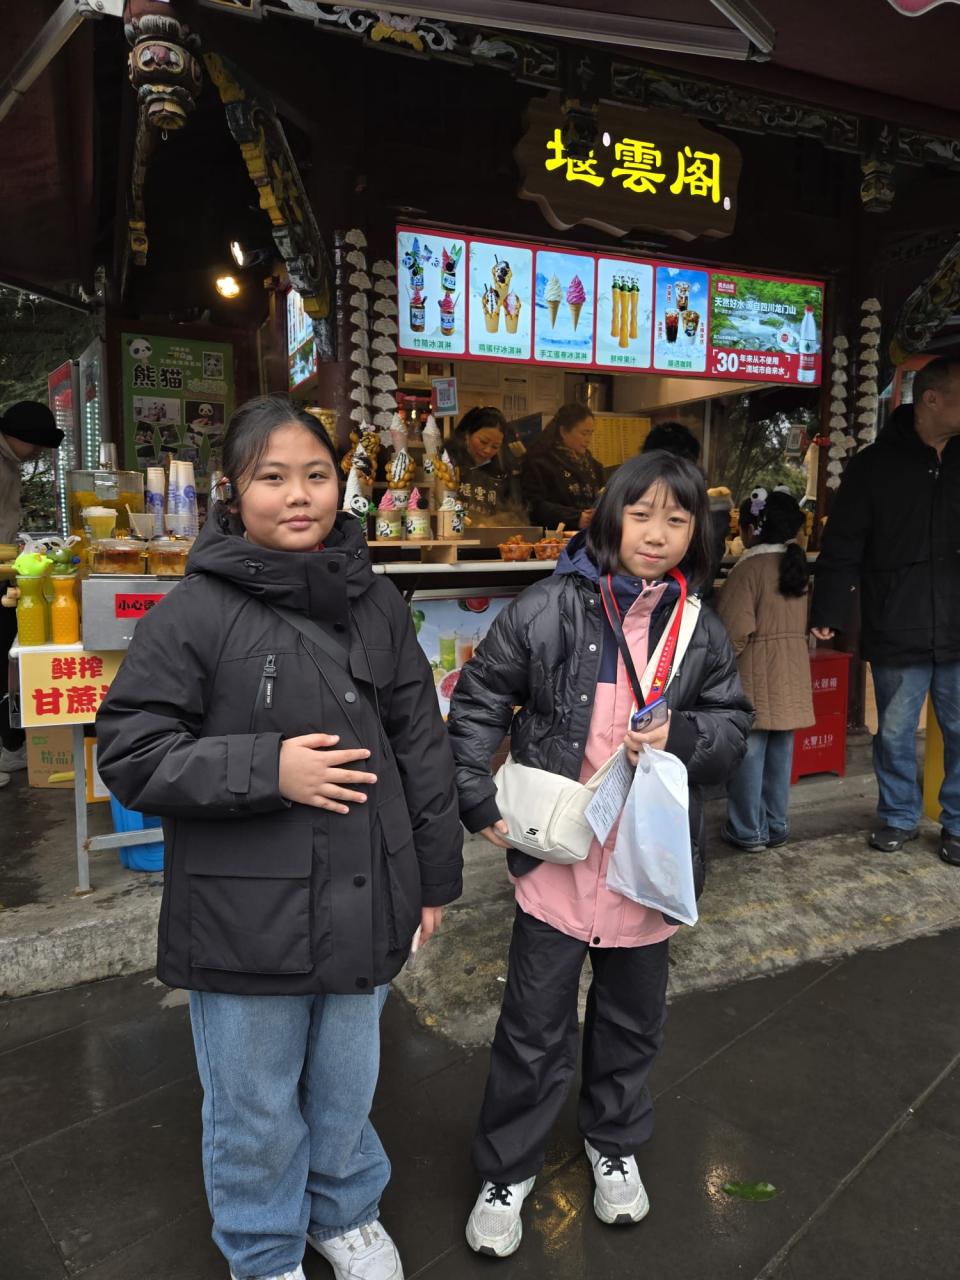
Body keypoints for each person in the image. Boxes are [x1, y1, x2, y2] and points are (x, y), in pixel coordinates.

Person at [95, 396, 463, 1280]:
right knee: (253, 1101)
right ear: (232, 491)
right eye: (272, 477)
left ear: (342, 484)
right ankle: (263, 1250)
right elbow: (132, 751)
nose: (299, 495)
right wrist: (270, 769)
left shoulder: (377, 603)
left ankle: (346, 1210)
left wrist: (434, 878)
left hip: (367, 892)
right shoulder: (195, 612)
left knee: (345, 1084)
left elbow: (421, 744)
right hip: (243, 913)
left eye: (317, 475)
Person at [447, 451, 751, 1258]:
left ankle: (612, 1141)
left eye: (677, 519)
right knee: (532, 1029)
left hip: (648, 871)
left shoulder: (700, 628)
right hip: (559, 867)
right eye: (642, 513)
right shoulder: (549, 607)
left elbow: (733, 727)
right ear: (611, 515)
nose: (657, 533)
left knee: (631, 1024)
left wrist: (684, 733)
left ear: (697, 533)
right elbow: (480, 697)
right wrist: (473, 793)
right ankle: (507, 1168)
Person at [810, 357, 960, 866]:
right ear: (932, 398)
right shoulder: (874, 466)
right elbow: (843, 543)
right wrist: (828, 608)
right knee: (894, 731)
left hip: (958, 624)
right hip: (898, 621)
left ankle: (957, 823)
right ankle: (898, 815)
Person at [717, 490, 814, 851]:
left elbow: (734, 633)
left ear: (750, 529)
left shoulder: (748, 570)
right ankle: (776, 824)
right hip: (792, 672)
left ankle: (748, 830)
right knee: (780, 754)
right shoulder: (795, 566)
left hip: (755, 675)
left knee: (750, 755)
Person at [0, 400, 64, 787]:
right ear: (18, 436)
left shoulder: (9, 462)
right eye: (36, 443)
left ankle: (10, 746)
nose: (38, 451)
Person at [520, 403, 605, 530]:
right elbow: (534, 507)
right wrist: (576, 518)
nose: (588, 439)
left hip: (590, 536)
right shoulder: (540, 462)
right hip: (554, 538)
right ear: (564, 432)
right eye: (584, 433)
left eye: (590, 434)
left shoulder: (594, 467)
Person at [447, 406, 512, 521]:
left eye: (495, 446)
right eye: (483, 442)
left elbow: (508, 511)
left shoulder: (500, 475)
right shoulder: (448, 463)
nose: (488, 450)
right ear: (468, 435)